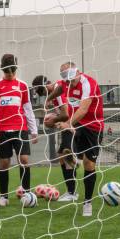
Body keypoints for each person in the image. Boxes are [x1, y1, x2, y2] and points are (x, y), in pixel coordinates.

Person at [45, 61, 105, 217]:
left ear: (77, 71)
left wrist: (67, 123)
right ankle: (74, 159)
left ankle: (87, 202)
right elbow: (59, 89)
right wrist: (49, 98)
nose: (69, 81)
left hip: (92, 127)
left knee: (89, 164)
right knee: (64, 153)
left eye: (71, 77)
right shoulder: (66, 83)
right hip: (77, 125)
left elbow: (83, 109)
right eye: (66, 78)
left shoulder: (88, 83)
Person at [0, 54, 38, 206]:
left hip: (20, 128)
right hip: (3, 130)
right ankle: (3, 197)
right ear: (2, 69)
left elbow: (28, 108)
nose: (10, 74)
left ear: (16, 69)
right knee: (4, 163)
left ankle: (26, 193)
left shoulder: (22, 85)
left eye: (12, 71)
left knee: (24, 160)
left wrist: (34, 130)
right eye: (7, 72)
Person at [32, 74, 79, 202]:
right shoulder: (59, 85)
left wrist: (53, 120)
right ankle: (71, 191)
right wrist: (56, 116)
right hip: (69, 125)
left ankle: (72, 193)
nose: (43, 95)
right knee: (61, 156)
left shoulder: (57, 92)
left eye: (42, 92)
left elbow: (66, 114)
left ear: (46, 85)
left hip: (72, 125)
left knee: (66, 155)